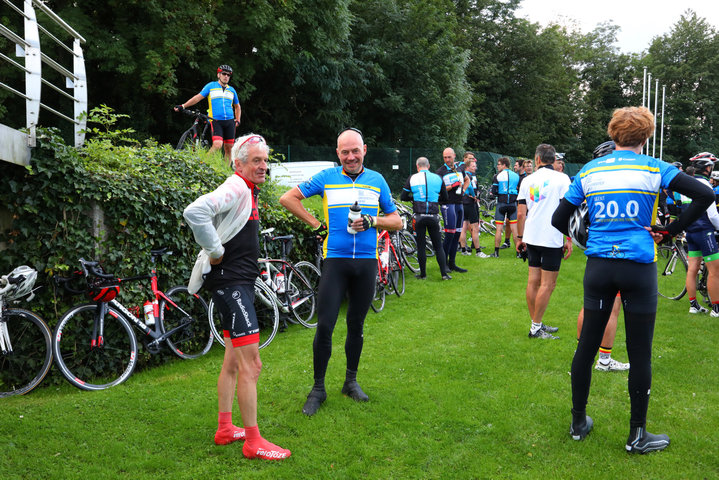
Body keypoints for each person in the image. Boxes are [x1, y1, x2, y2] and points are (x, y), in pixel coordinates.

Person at [552, 106, 714, 453]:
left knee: (586, 346)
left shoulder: (589, 170)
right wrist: (670, 231)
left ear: (613, 134)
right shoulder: (656, 167)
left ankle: (578, 422)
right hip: (638, 266)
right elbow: (705, 195)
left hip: (598, 266)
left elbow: (558, 219)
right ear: (646, 136)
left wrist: (590, 235)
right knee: (640, 353)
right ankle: (637, 435)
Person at [279, 128, 402, 416]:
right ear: (337, 153)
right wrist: (314, 223)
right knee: (325, 326)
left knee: (356, 326)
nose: (350, 156)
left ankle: (350, 381)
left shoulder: (377, 180)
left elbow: (397, 221)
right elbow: (288, 198)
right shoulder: (326, 178)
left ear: (364, 150)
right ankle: (318, 389)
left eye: (355, 150)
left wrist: (373, 221)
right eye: (344, 151)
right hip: (335, 261)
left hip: (366, 263)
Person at [183, 133, 290, 461]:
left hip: (236, 282)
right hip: (232, 285)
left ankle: (226, 428)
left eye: (265, 160)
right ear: (238, 163)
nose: (263, 166)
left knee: (232, 362)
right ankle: (253, 441)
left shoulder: (248, 190)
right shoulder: (237, 186)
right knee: (251, 364)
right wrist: (215, 251)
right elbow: (195, 211)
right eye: (256, 160)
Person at [573, 140, 629, 371]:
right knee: (612, 307)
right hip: (614, 251)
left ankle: (581, 353)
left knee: (590, 304)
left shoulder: (592, 180)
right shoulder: (618, 183)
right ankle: (603, 361)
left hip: (595, 250)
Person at [516, 144, 571, 339]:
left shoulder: (527, 180)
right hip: (551, 236)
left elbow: (521, 213)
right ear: (553, 159)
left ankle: (535, 323)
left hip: (532, 236)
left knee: (533, 281)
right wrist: (569, 238)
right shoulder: (562, 179)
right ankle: (535, 327)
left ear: (537, 159)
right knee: (548, 284)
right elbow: (568, 211)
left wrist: (520, 237)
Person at [400, 157, 451, 279]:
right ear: (428, 166)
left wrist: (414, 198)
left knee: (421, 246)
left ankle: (423, 275)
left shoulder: (412, 178)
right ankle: (444, 274)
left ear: (417, 166)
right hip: (433, 216)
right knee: (438, 246)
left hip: (419, 217)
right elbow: (445, 198)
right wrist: (434, 200)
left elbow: (403, 196)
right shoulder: (438, 178)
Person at [175, 64, 241, 158]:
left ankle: (226, 171)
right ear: (218, 75)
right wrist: (183, 105)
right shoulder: (211, 86)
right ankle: (204, 163)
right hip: (216, 120)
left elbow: (237, 106)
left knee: (229, 148)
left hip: (230, 121)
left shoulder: (232, 90)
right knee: (218, 144)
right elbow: (197, 97)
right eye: (224, 74)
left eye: (228, 75)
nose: (226, 76)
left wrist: (238, 119)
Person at [683, 152, 719, 316]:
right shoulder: (706, 185)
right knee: (714, 271)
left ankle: (693, 305)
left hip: (690, 232)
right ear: (707, 167)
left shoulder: (686, 184)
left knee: (692, 270)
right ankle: (716, 309)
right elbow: (712, 215)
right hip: (705, 232)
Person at [436, 148, 470, 272]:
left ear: (454, 156)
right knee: (449, 234)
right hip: (447, 204)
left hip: (459, 203)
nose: (447, 160)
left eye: (449, 157)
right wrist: (452, 186)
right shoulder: (440, 171)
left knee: (457, 234)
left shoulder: (460, 168)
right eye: (445, 157)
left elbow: (467, 180)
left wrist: (463, 190)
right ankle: (443, 264)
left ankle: (452, 263)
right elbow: (441, 189)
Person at [488, 157, 520, 257]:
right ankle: (518, 253)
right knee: (515, 229)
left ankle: (496, 253)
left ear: (504, 165)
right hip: (513, 204)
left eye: (499, 164)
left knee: (499, 229)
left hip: (501, 204)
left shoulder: (497, 176)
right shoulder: (516, 176)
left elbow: (493, 192)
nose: (497, 166)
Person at [459, 157, 484, 257]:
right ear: (468, 167)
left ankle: (464, 249)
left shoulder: (461, 175)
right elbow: (469, 186)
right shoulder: (468, 176)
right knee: (475, 227)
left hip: (462, 203)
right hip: (469, 203)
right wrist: (474, 196)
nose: (475, 168)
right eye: (473, 166)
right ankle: (478, 251)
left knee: (464, 227)